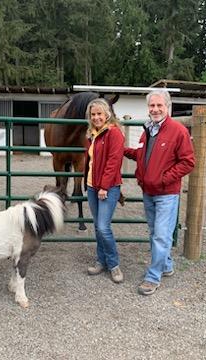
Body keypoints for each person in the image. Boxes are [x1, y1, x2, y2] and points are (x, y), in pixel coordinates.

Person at [124, 90, 195, 295]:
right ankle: (167, 265)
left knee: (161, 236)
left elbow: (188, 162)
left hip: (166, 193)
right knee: (156, 232)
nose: (155, 109)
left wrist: (164, 179)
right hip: (148, 191)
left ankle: (153, 277)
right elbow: (141, 154)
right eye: (152, 106)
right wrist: (122, 149)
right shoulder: (148, 129)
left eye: (159, 106)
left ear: (167, 107)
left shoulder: (178, 131)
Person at [83, 98, 125, 283]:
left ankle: (114, 264)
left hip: (106, 187)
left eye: (99, 114)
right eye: (93, 114)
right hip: (92, 186)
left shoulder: (114, 133)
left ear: (107, 114)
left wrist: (104, 187)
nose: (96, 117)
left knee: (103, 227)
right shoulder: (92, 134)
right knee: (98, 227)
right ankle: (101, 260)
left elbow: (113, 162)